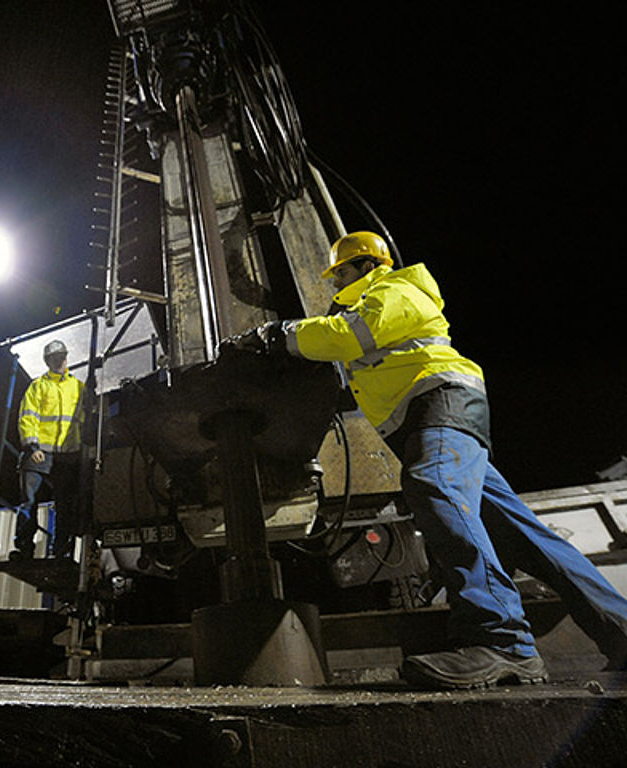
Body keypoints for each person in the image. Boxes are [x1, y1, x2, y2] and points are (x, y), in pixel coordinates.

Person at [226, 231, 627, 689]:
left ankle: (502, 642)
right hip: (436, 413)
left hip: (440, 405)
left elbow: (351, 336)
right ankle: (620, 629)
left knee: (433, 485)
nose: (335, 283)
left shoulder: (394, 290)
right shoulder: (376, 302)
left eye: (340, 272)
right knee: (520, 532)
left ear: (366, 266)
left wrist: (278, 335)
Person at [11, 339, 86, 560]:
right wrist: (32, 446)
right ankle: (25, 548)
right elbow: (27, 417)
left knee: (65, 505)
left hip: (68, 455)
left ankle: (61, 549)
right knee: (29, 501)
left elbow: (86, 419)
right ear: (47, 361)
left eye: (63, 356)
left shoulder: (79, 387)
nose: (61, 360)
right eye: (55, 358)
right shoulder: (38, 386)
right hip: (40, 452)